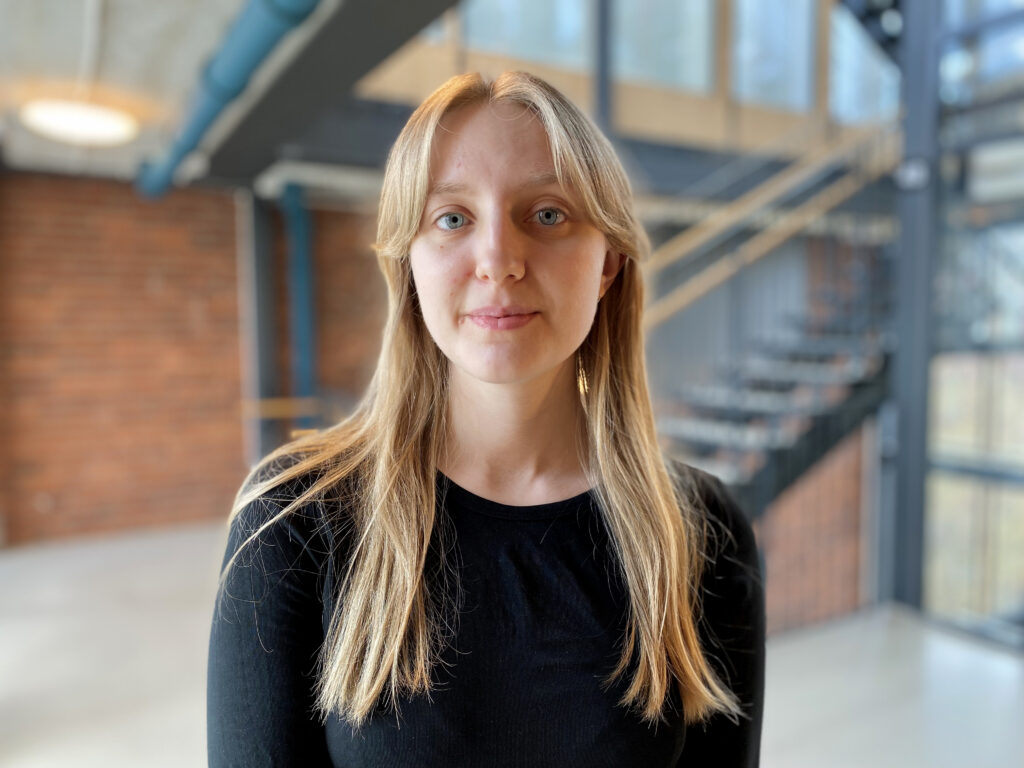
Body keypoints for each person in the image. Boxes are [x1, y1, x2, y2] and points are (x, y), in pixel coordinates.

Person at [207, 70, 765, 767]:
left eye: (548, 214)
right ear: (409, 264)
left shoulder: (702, 533)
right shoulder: (292, 518)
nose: (498, 261)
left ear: (609, 263)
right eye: (452, 218)